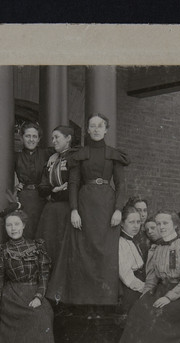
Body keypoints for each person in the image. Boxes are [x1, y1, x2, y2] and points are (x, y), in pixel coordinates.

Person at [47, 113, 130, 306]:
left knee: (104, 251)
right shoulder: (80, 155)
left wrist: (118, 210)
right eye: (92, 126)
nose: (95, 129)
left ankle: (105, 299)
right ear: (88, 129)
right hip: (84, 206)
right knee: (82, 250)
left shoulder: (114, 154)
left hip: (107, 207)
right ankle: (81, 299)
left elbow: (121, 185)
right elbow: (74, 183)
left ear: (106, 129)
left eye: (99, 126)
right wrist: (74, 210)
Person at [111, 211, 180, 343]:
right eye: (158, 224)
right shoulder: (155, 249)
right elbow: (151, 279)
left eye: (165, 223)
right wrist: (145, 296)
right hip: (161, 290)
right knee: (139, 311)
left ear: (174, 225)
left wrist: (168, 297)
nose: (161, 227)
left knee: (158, 314)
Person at [0, 207, 63, 343]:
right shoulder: (2, 250)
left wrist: (38, 296)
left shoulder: (37, 247)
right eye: (9, 225)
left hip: (34, 293)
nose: (13, 229)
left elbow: (44, 276)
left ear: (24, 225)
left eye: (16, 224)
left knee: (41, 317)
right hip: (11, 296)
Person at [37, 125, 78, 265]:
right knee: (47, 246)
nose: (53, 141)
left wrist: (54, 192)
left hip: (66, 210)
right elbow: (42, 187)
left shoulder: (76, 158)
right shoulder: (52, 159)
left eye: (57, 137)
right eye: (52, 138)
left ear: (68, 138)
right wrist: (53, 191)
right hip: (50, 210)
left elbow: (72, 188)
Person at [12, 122, 54, 240]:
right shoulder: (16, 156)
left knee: (41, 232)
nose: (31, 139)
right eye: (28, 136)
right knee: (26, 229)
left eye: (34, 136)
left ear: (39, 139)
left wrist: (55, 156)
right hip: (24, 198)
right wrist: (14, 188)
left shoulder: (46, 154)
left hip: (42, 198)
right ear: (21, 138)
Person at [117, 207, 146, 314]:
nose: (136, 226)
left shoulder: (137, 240)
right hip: (130, 287)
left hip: (142, 280)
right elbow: (126, 276)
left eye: (138, 222)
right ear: (122, 223)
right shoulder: (120, 243)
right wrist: (145, 288)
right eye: (131, 222)